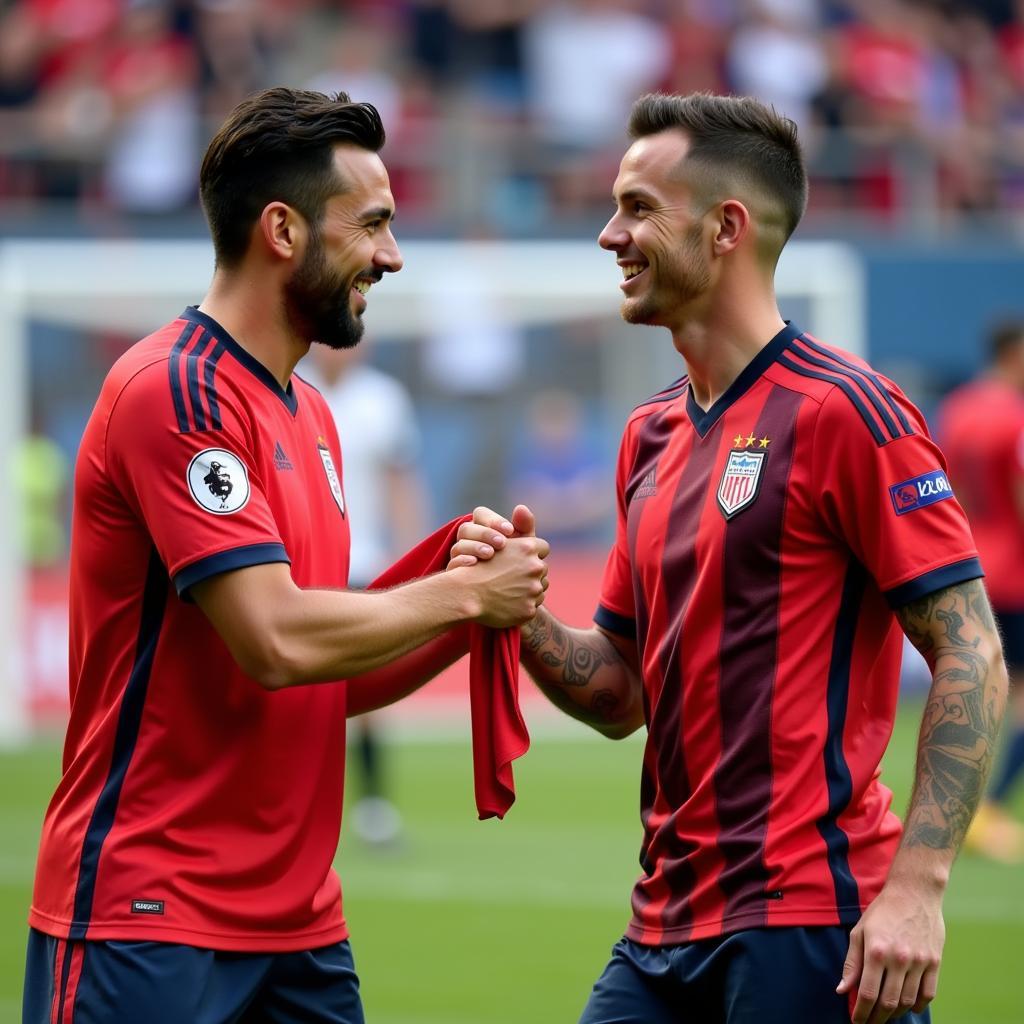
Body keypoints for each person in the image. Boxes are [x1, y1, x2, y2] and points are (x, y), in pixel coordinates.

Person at [451, 92, 1008, 1024]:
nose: (607, 236)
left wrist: (918, 884)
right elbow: (618, 693)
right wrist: (515, 610)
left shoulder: (849, 415)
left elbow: (973, 649)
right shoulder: (648, 434)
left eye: (637, 208)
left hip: (812, 923)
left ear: (725, 228)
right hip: (664, 926)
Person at [23, 87, 549, 1024]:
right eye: (373, 224)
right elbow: (275, 641)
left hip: (299, 929)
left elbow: (326, 675)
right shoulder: (173, 393)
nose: (391, 256)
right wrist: (458, 602)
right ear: (282, 230)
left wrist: (476, 600)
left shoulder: (312, 416)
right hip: (149, 917)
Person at [306, 342, 430, 846]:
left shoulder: (384, 400)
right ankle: (300, 808)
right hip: (304, 567)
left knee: (367, 697)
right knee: (302, 695)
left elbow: (402, 484)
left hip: (364, 564)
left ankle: (374, 805)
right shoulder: (291, 388)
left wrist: (414, 558)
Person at [936, 319, 1024, 863]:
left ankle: (956, 810)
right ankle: (987, 810)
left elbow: (955, 492)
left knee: (975, 693)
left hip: (974, 563)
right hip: (1017, 572)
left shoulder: (959, 409)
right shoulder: (1014, 417)